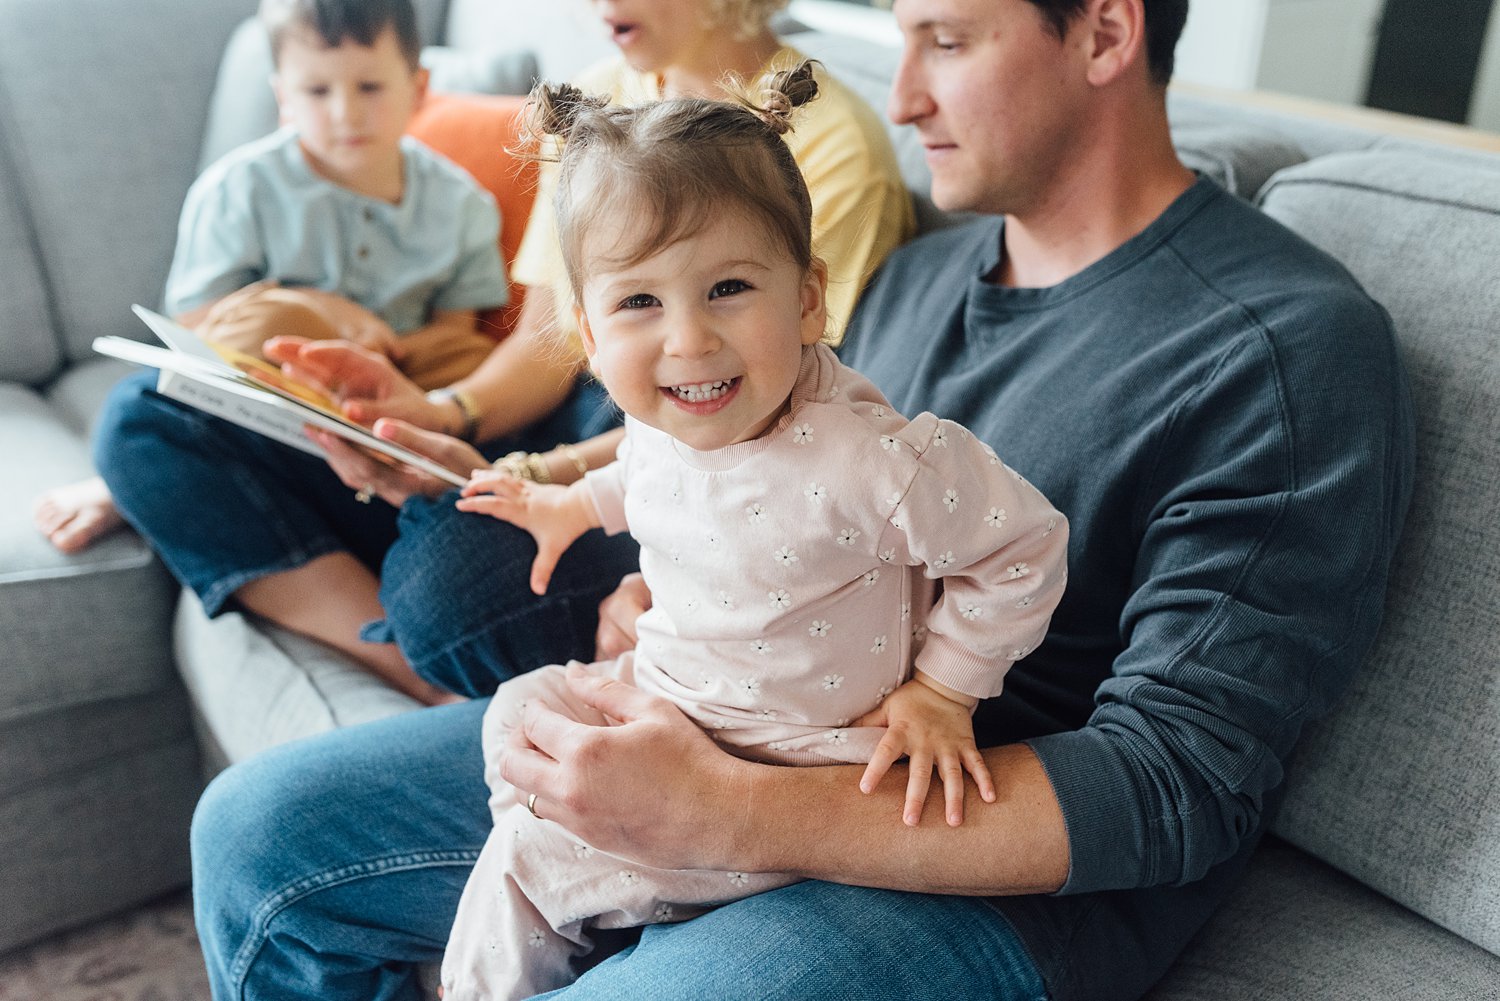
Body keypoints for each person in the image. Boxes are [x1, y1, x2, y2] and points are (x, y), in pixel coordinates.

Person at [189, 2, 1417, 1000]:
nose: (901, 98)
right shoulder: (927, 272)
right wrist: (612, 546)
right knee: (255, 832)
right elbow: (759, 480)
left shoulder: (1280, 349)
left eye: (946, 39)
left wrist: (729, 812)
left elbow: (1176, 790)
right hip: (735, 716)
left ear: (1105, 33)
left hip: (983, 862)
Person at [74, 0, 914, 711]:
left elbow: (755, 418)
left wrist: (536, 477)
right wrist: (437, 417)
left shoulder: (829, 143)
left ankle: (423, 597)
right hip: (571, 429)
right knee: (148, 419)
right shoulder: (602, 102)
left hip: (683, 474)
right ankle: (399, 647)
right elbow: (549, 346)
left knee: (448, 586)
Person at [438, 73, 1066, 1000]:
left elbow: (1026, 545)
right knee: (516, 714)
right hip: (676, 694)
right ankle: (602, 875)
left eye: (728, 287)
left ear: (808, 299)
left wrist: (944, 689)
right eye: (639, 304)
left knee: (527, 864)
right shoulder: (667, 417)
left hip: (797, 753)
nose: (688, 341)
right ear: (588, 333)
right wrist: (569, 506)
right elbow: (647, 476)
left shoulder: (868, 462)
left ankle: (529, 935)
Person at [33, 0, 507, 559]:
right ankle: (132, 485)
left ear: (418, 87)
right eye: (317, 92)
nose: (345, 113)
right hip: (273, 381)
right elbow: (197, 328)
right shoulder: (240, 188)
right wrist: (327, 314)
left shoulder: (462, 203)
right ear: (283, 97)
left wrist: (373, 355)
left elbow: (455, 334)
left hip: (392, 384)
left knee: (476, 354)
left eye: (370, 87)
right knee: (275, 321)